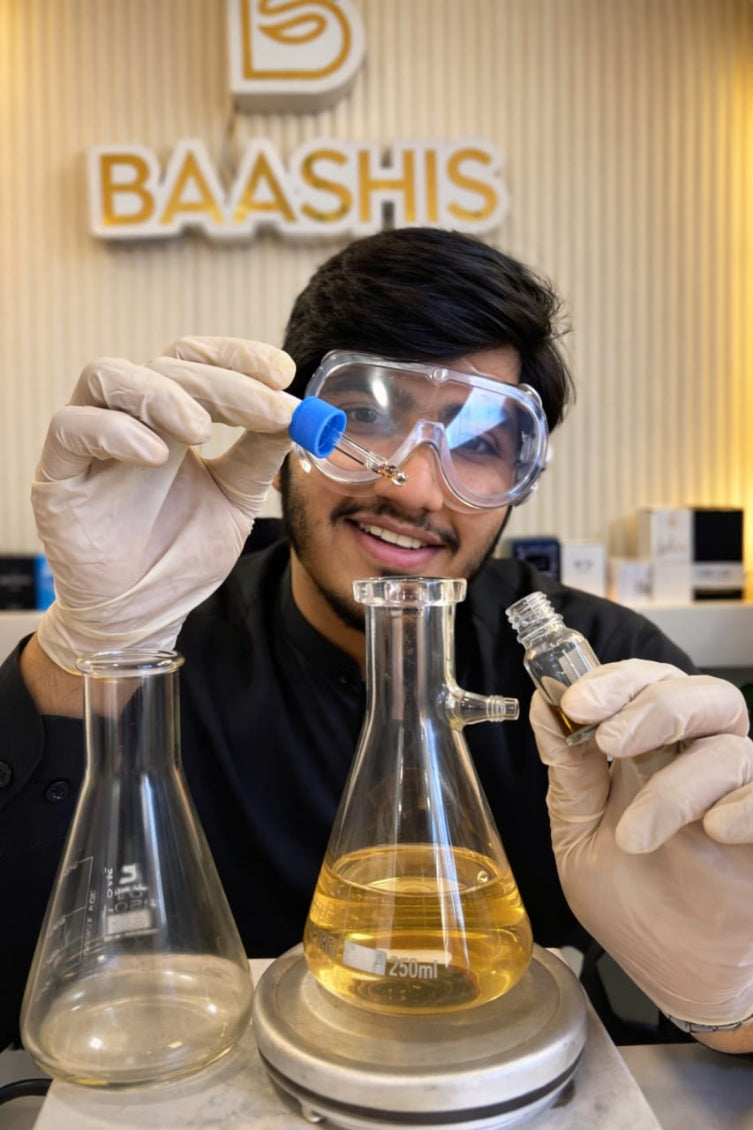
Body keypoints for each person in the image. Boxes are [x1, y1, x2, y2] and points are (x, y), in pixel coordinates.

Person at [2, 228, 752, 1057]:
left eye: (478, 444)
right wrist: (92, 647)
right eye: (366, 417)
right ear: (289, 433)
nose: (414, 486)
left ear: (518, 481)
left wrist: (729, 995)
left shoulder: (600, 666)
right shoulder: (170, 636)